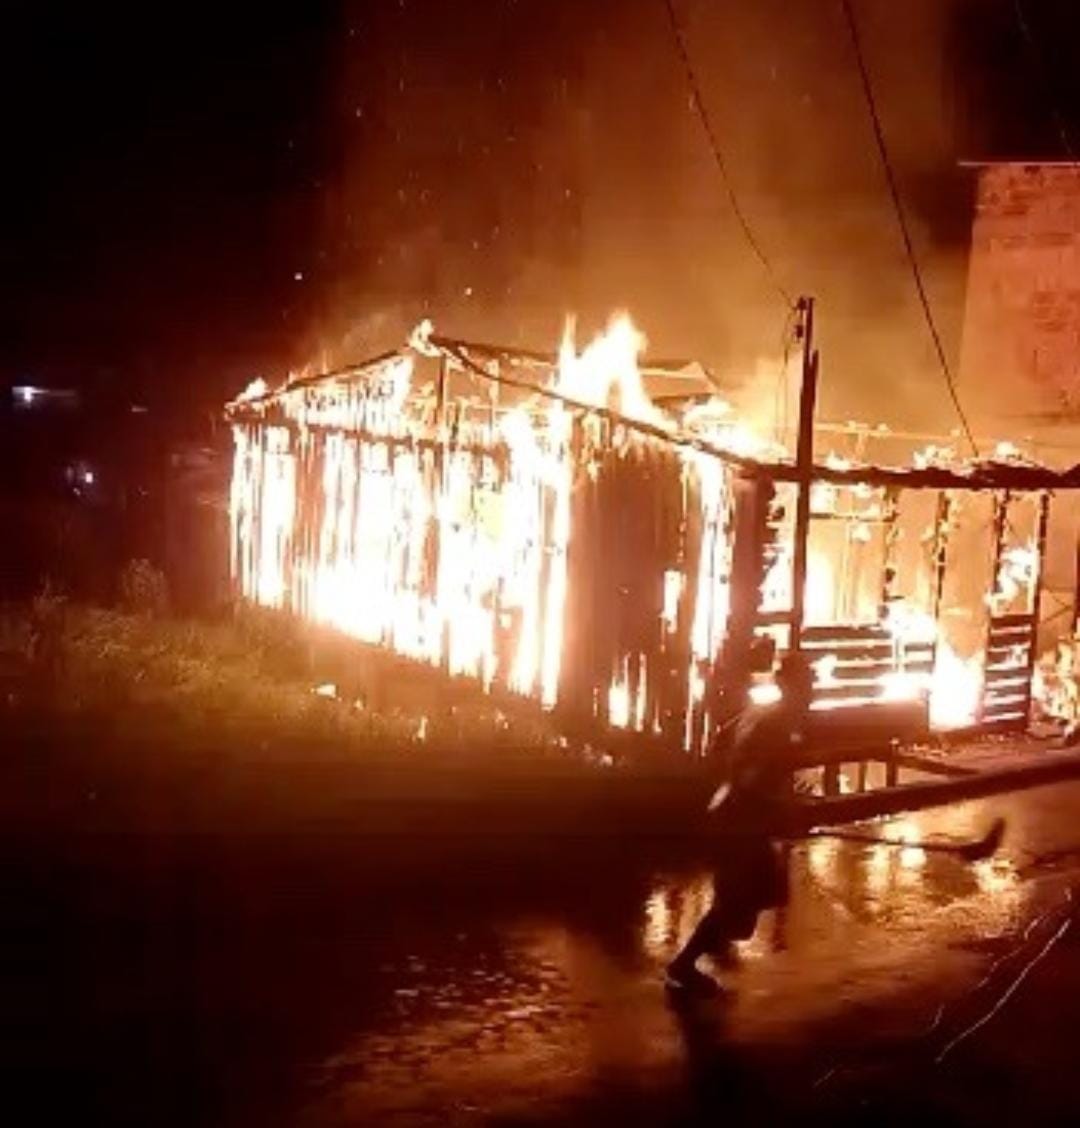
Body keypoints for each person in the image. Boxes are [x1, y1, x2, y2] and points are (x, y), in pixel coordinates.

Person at [666, 651, 815, 995]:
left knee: (754, 900)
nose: (811, 691)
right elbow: (755, 780)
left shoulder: (768, 715)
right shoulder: (776, 725)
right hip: (740, 823)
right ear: (789, 685)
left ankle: (714, 940)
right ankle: (683, 966)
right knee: (740, 905)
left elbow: (727, 748)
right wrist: (781, 813)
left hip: (736, 817)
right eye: (806, 683)